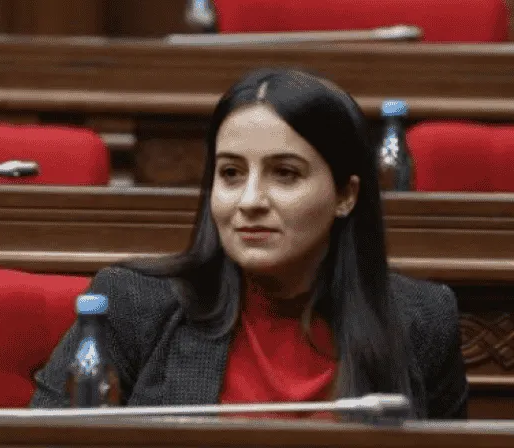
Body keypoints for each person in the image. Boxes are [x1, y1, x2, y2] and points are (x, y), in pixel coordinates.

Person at [30, 68, 468, 419]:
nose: (250, 201)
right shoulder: (131, 304)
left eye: (285, 174)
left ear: (345, 195)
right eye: (231, 174)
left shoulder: (421, 321)